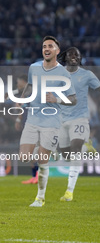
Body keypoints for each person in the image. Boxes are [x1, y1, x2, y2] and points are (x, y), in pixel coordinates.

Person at [18, 36, 77, 207]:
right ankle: (46, 148)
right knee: (24, 157)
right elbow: (29, 86)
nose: (46, 48)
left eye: (50, 46)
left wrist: (56, 99)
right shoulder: (34, 67)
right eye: (44, 46)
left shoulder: (64, 73)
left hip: (52, 121)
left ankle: (40, 198)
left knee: (43, 160)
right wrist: (21, 99)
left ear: (57, 51)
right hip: (33, 119)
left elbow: (73, 99)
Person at [57, 47, 100, 202]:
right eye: (71, 54)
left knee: (75, 148)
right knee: (66, 155)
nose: (74, 57)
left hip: (80, 118)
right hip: (62, 120)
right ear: (66, 57)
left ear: (80, 58)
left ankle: (69, 191)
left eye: (77, 55)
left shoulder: (87, 75)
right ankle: (85, 144)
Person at [11, 75, 39, 184]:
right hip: (26, 124)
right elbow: (21, 107)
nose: (17, 84)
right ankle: (34, 176)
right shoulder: (25, 93)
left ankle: (38, 175)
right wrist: (18, 120)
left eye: (18, 82)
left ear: (24, 81)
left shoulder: (33, 92)